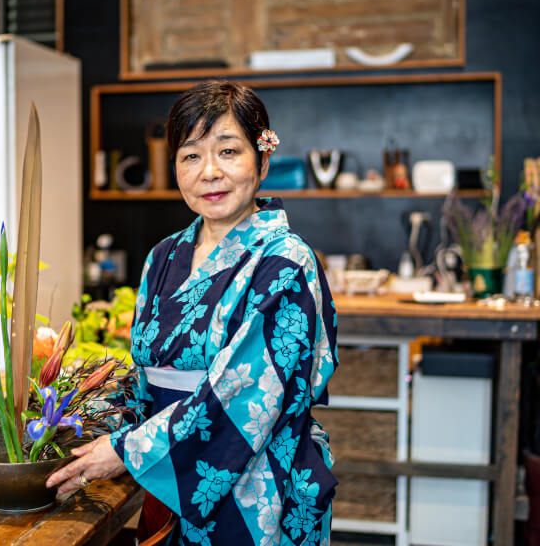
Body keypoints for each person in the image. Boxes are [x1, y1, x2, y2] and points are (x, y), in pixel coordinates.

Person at [47, 80, 338, 545]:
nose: (209, 172)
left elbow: (243, 396)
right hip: (168, 482)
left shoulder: (286, 262)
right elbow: (146, 380)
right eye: (190, 155)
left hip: (261, 488)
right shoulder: (163, 257)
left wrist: (125, 450)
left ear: (263, 160)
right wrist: (70, 417)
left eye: (228, 151)